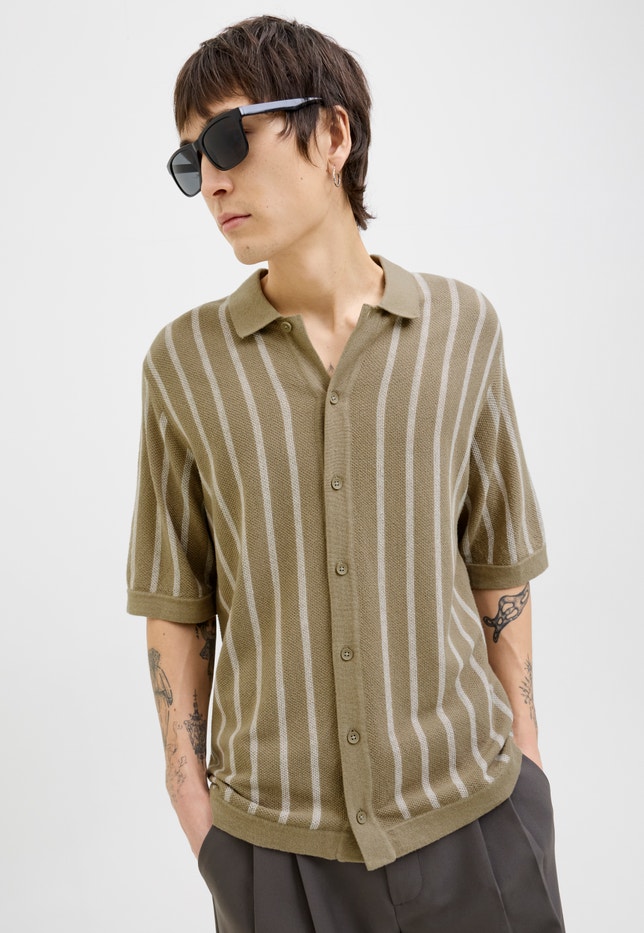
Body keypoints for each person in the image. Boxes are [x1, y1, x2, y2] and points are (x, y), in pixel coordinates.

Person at [126, 14, 565, 932]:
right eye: (190, 161)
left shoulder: (462, 328)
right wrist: (194, 805)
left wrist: (525, 748)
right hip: (273, 854)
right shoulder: (184, 362)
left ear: (332, 133)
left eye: (228, 138)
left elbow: (497, 562)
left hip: (476, 821)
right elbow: (177, 599)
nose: (211, 180)